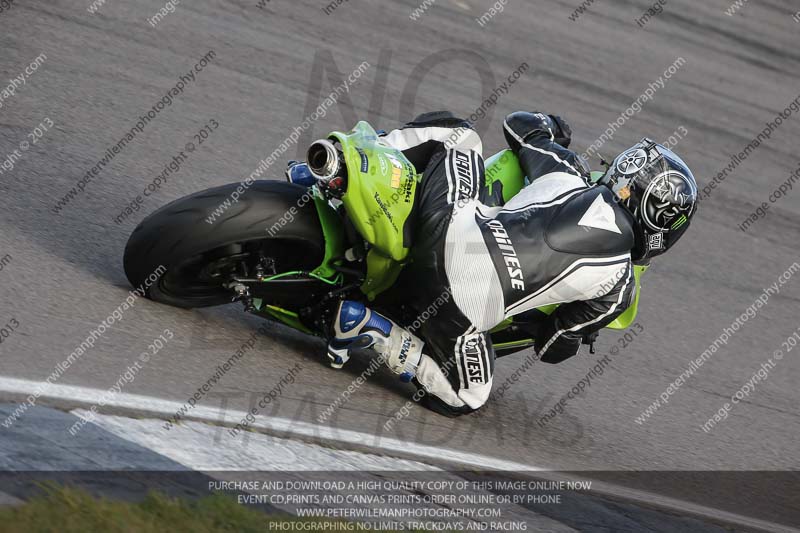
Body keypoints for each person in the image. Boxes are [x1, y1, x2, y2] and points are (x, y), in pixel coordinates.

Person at [321, 110, 698, 416]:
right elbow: (551, 347)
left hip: (442, 232)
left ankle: (353, 162)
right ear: (663, 227)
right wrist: (574, 334)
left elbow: (519, 125)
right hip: (460, 310)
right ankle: (375, 332)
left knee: (459, 134)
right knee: (468, 396)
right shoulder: (620, 287)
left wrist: (551, 126)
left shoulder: (567, 171)